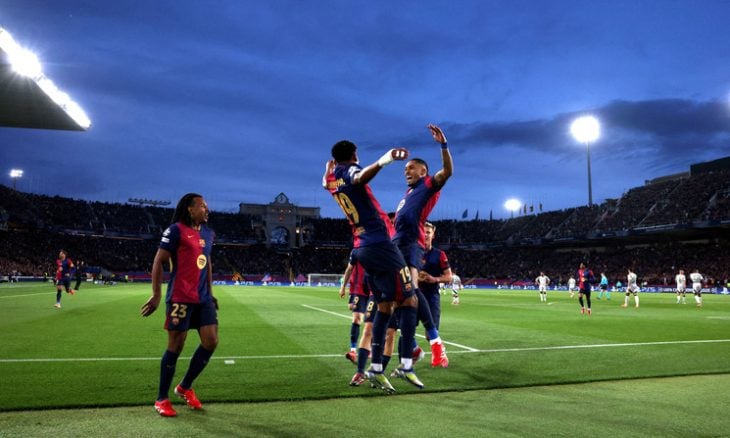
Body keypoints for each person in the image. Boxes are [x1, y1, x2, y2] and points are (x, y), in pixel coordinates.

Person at [324, 140, 422, 392]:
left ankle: (376, 370)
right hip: (379, 243)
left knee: (385, 306)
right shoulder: (348, 172)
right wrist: (385, 159)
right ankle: (407, 365)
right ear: (354, 155)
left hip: (362, 247)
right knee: (410, 300)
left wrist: (327, 172)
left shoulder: (334, 179)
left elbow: (326, 183)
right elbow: (359, 178)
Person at [140, 193, 219, 417]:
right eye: (202, 206)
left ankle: (184, 387)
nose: (207, 210)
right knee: (176, 346)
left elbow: (208, 264)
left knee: (211, 341)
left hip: (203, 298)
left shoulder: (208, 234)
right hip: (180, 296)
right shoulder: (174, 231)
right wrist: (156, 295)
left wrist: (211, 294)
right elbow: (159, 260)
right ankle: (161, 399)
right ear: (190, 209)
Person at [392, 124, 453, 368]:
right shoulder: (408, 193)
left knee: (411, 288)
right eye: (405, 168)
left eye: (411, 168)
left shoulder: (428, 185)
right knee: (402, 297)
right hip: (396, 245)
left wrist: (443, 145)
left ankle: (435, 343)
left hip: (409, 244)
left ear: (423, 171)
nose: (406, 171)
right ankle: (413, 350)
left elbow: (447, 172)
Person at [418, 222, 453, 329]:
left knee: (431, 333)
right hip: (413, 296)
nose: (425, 234)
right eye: (423, 232)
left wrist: (435, 279)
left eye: (428, 232)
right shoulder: (412, 252)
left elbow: (449, 277)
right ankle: (413, 347)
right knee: (407, 332)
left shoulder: (439, 254)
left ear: (433, 235)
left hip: (431, 296)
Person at [339, 258, 369, 364]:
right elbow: (349, 269)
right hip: (358, 289)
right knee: (356, 319)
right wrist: (343, 287)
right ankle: (353, 351)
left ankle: (369, 348)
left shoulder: (379, 247)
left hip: (373, 288)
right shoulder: (357, 250)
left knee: (372, 321)